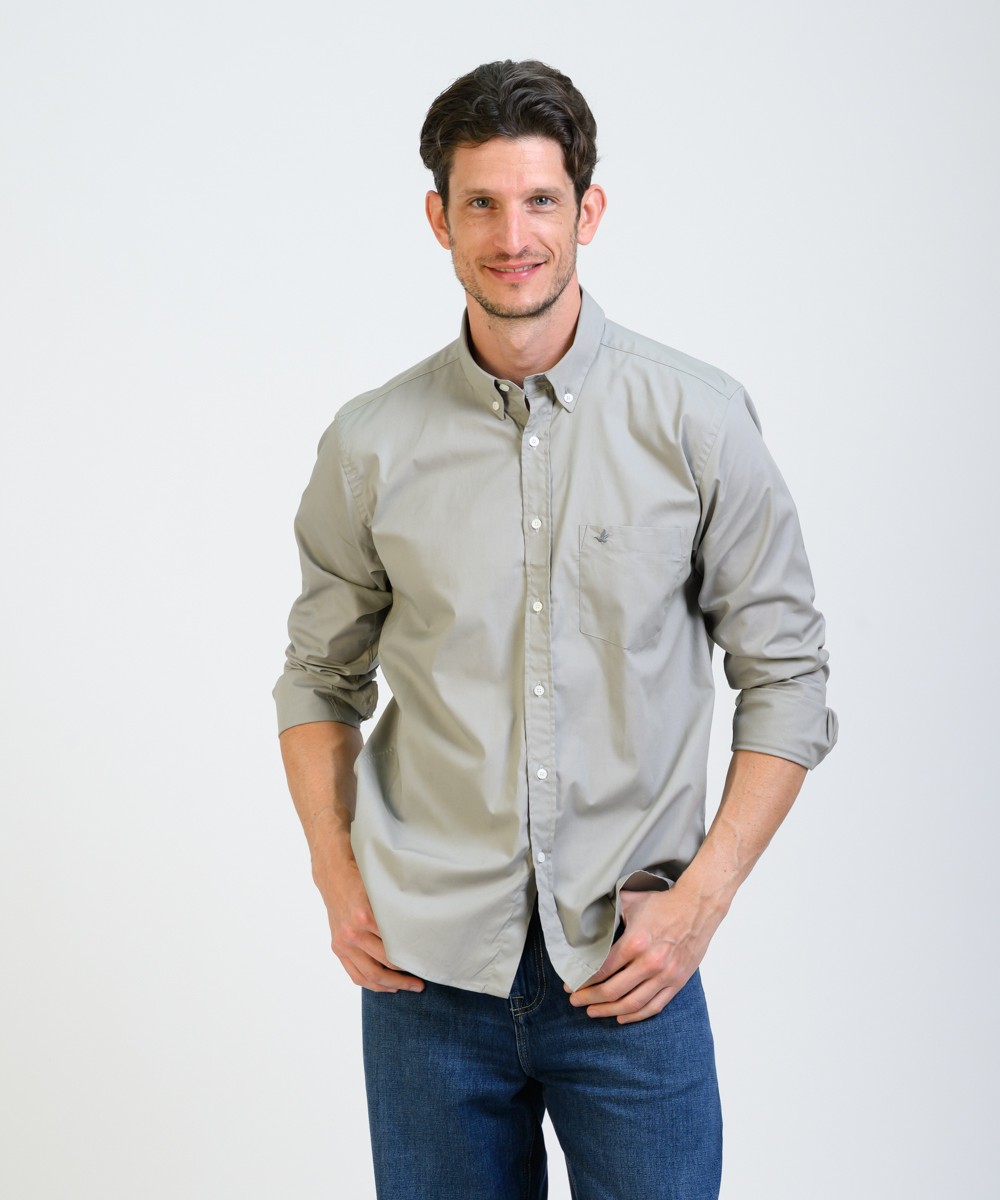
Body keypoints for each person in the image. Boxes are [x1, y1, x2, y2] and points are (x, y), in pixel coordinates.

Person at [274, 59, 837, 1200]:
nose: (512, 235)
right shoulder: (371, 443)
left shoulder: (697, 420)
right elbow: (317, 679)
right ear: (438, 218)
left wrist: (703, 900)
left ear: (589, 210)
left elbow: (786, 677)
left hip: (630, 969)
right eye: (480, 202)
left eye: (539, 199)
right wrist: (336, 876)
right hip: (427, 983)